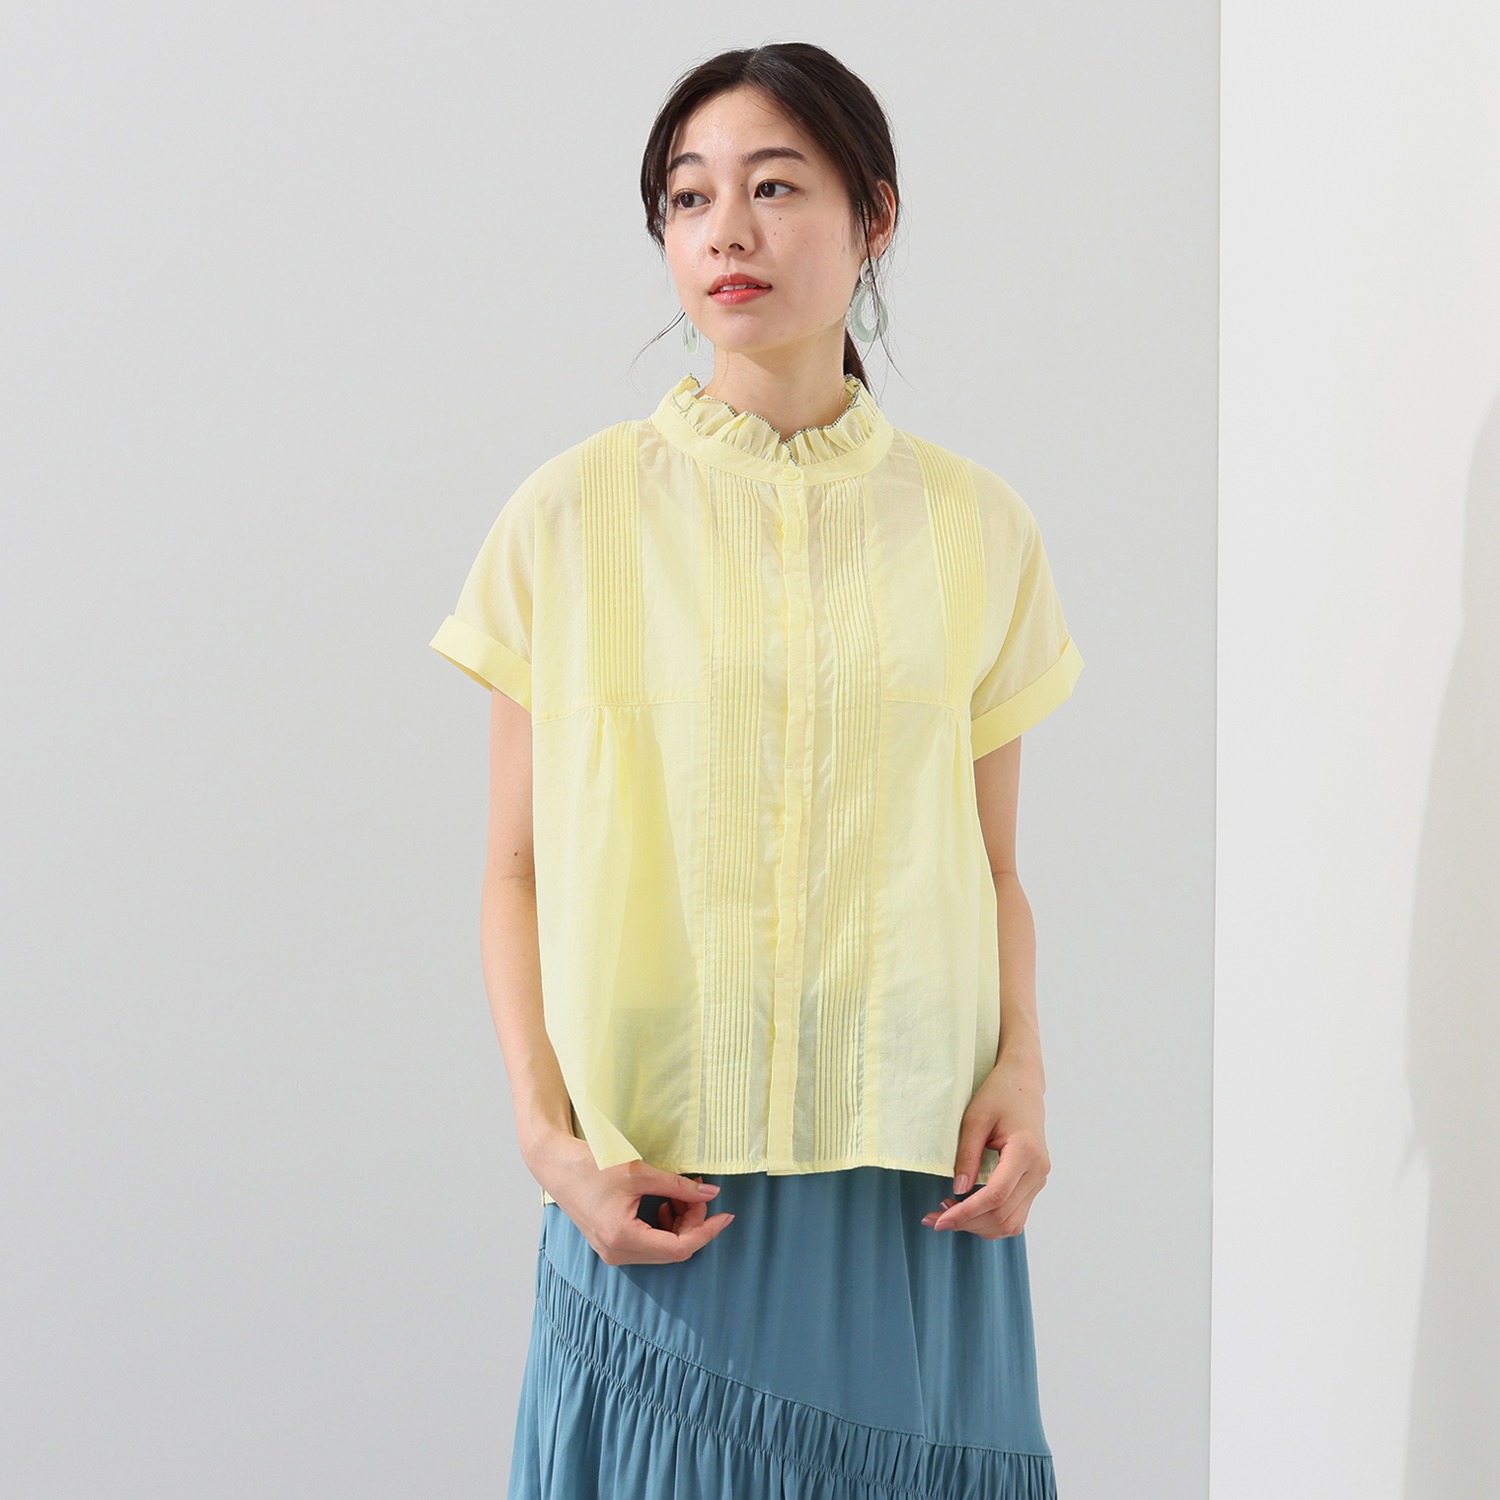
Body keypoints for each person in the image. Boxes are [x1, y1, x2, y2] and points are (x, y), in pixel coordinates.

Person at [430, 41, 1084, 1500]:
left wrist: (1024, 1072)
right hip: (657, 1180)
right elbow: (514, 866)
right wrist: (548, 1142)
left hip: (913, 1178)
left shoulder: (978, 530)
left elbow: (993, 866)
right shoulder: (569, 518)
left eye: (775, 187)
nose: (726, 230)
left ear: (875, 217)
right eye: (689, 196)